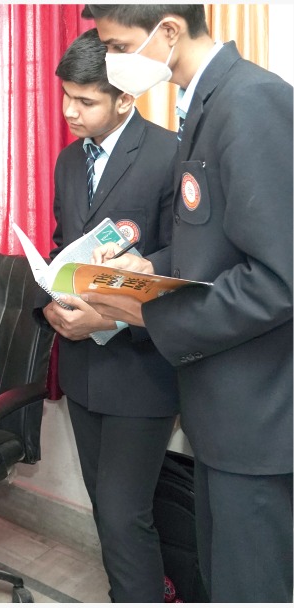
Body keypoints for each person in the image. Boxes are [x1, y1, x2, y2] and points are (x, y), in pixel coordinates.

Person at [81, 5, 293, 602]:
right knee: (222, 579)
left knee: (252, 588)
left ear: (169, 30)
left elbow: (278, 280)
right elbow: (213, 243)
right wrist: (147, 270)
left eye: (118, 46)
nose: (111, 62)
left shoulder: (250, 101)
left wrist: (150, 312)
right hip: (219, 413)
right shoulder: (199, 104)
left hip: (256, 418)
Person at [37, 28, 179, 602]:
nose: (69, 112)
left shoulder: (169, 154)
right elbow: (62, 246)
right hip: (81, 364)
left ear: (125, 97)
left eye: (84, 100)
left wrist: (113, 317)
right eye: (65, 97)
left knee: (124, 515)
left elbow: (185, 261)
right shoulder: (68, 161)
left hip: (142, 368)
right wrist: (51, 298)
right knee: (107, 508)